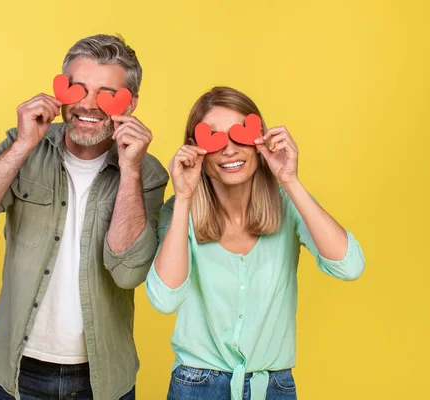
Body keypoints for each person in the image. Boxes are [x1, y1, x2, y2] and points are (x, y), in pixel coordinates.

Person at [0, 34, 169, 400]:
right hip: (17, 373)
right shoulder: (23, 147)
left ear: (131, 103)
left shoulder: (148, 173)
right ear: (59, 90)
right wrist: (22, 146)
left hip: (103, 378)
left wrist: (130, 169)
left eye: (106, 94)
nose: (88, 105)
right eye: (77, 89)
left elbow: (128, 272)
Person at [146, 86, 365, 400]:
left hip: (273, 387)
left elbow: (350, 265)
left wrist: (289, 180)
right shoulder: (180, 212)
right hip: (196, 386)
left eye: (240, 135)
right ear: (196, 150)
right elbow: (164, 300)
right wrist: (183, 197)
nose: (230, 150)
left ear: (260, 140)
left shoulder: (288, 205)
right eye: (214, 138)